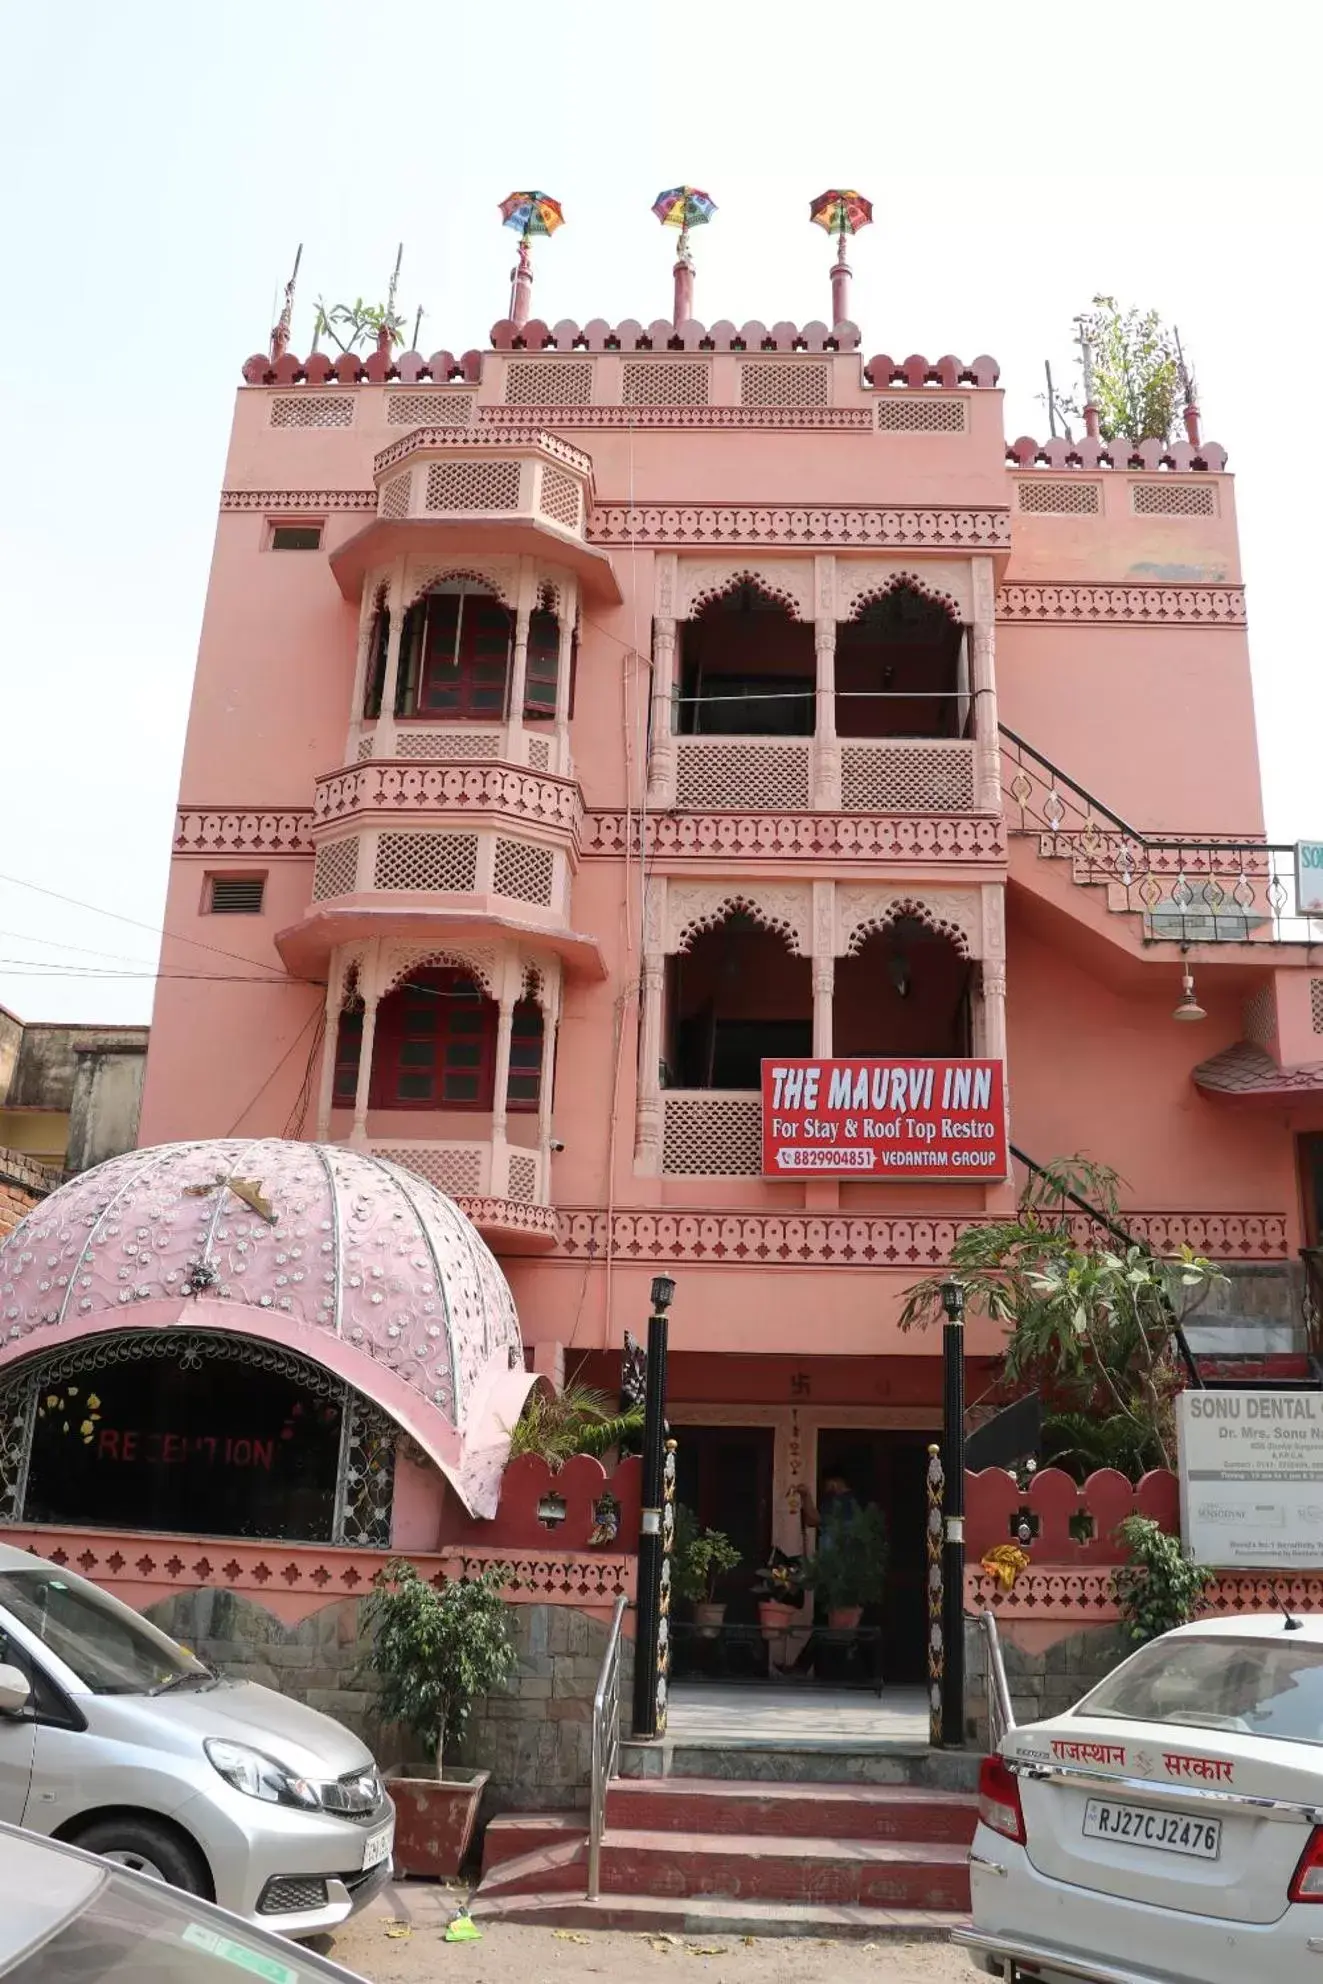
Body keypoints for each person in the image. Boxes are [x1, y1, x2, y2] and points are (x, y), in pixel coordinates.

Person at [778, 1470, 862, 1680]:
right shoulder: (847, 1504)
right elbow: (812, 1520)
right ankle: (806, 1668)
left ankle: (808, 1669)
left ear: (836, 1481)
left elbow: (814, 1519)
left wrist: (806, 1497)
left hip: (839, 1573)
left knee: (832, 1625)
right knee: (828, 1624)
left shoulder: (842, 1504)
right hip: (837, 1572)